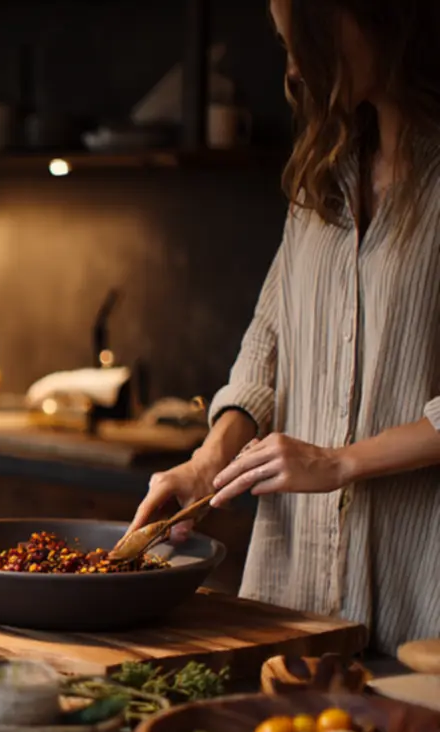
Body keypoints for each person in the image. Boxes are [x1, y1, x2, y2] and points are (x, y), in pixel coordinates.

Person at [128, 0, 440, 654]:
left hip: (418, 583)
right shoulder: (323, 176)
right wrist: (209, 461)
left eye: (309, 35)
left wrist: (340, 462)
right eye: (284, 43)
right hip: (295, 583)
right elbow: (268, 338)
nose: (296, 65)